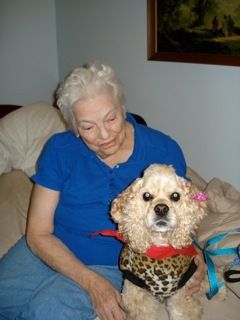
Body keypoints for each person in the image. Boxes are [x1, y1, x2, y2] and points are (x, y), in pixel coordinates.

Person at [0, 62, 205, 320]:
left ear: (123, 107)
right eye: (88, 127)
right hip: (53, 246)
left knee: (47, 311)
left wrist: (194, 255)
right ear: (73, 125)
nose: (105, 134)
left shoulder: (163, 150)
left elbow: (184, 210)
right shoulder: (60, 150)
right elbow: (38, 232)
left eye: (111, 118)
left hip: (117, 262)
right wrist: (91, 283)